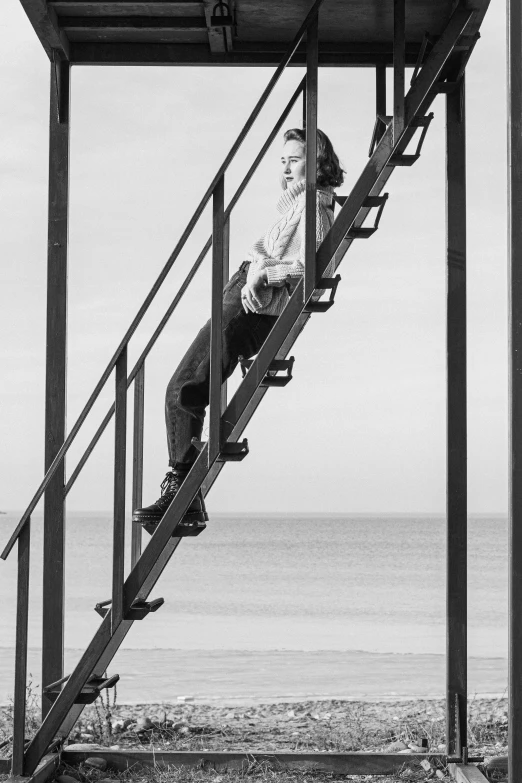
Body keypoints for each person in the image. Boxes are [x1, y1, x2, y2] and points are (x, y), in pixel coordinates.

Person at [132, 127, 345, 536]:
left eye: (294, 159)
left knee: (182, 389)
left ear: (317, 161)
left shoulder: (315, 209)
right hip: (244, 297)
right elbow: (274, 252)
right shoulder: (297, 208)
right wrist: (258, 264)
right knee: (186, 388)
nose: (285, 168)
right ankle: (184, 494)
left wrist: (262, 273)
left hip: (253, 308)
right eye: (281, 161)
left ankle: (182, 492)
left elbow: (310, 267)